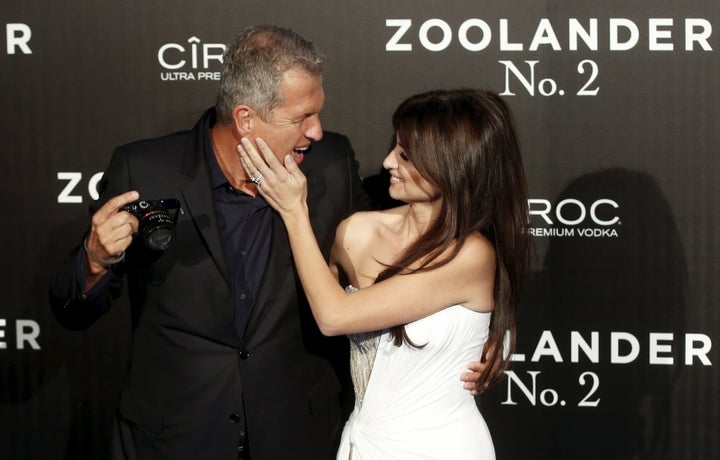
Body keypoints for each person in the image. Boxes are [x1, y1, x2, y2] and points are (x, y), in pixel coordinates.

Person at [49, 27, 487, 460]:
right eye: (301, 118)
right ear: (245, 118)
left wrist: (484, 333)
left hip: (298, 431)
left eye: (318, 113)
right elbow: (71, 310)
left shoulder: (331, 163)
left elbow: (416, 249)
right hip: (175, 435)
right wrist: (95, 259)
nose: (316, 131)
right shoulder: (145, 169)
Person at [237, 88, 532, 459]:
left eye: (407, 156)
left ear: (454, 165)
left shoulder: (470, 255)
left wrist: (295, 211)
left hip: (441, 446)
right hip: (361, 442)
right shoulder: (356, 232)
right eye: (395, 147)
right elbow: (305, 303)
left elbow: (334, 316)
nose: (389, 161)